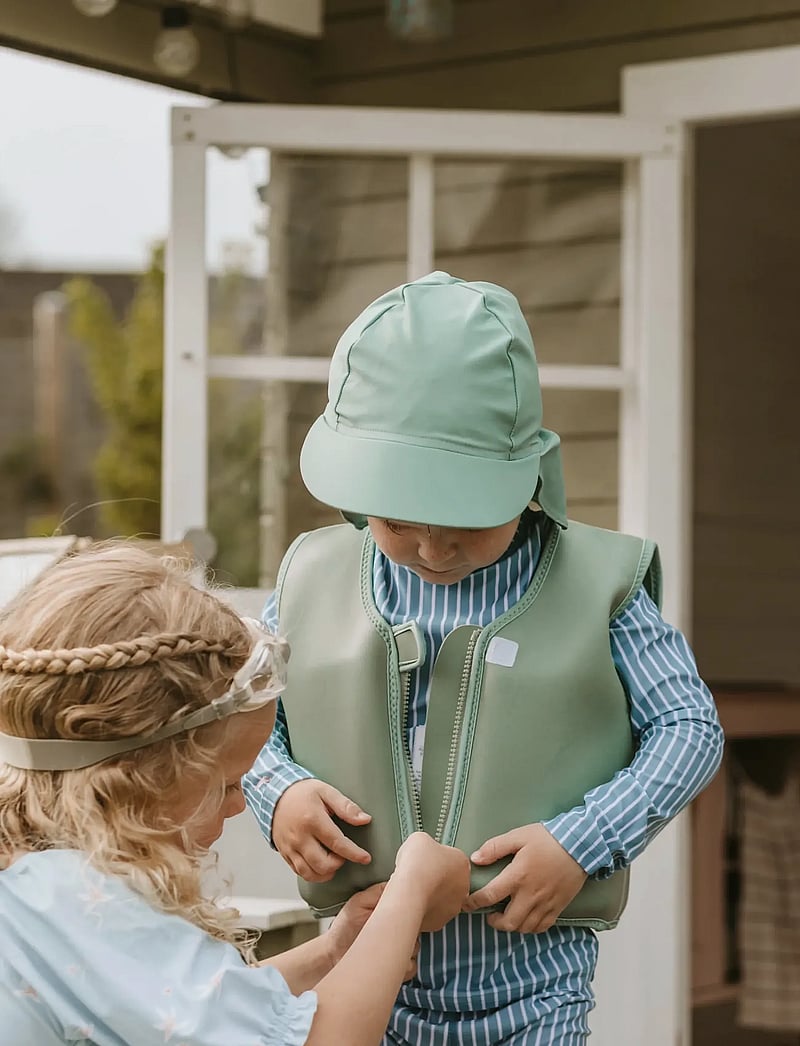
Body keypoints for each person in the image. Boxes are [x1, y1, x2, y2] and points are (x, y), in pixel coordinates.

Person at [243, 270, 725, 1044]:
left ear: (528, 474)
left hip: (534, 989)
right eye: (398, 523)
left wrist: (581, 842)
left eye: (467, 522)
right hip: (367, 975)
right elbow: (244, 718)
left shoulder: (601, 588)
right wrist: (280, 792)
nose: (433, 550)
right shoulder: (311, 579)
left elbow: (689, 729)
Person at [0, 543, 471, 1046]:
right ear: (136, 780)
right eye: (226, 783)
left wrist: (334, 952)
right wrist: (412, 889)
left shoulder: (40, 890)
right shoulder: (86, 903)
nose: (240, 803)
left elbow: (192, 1008)